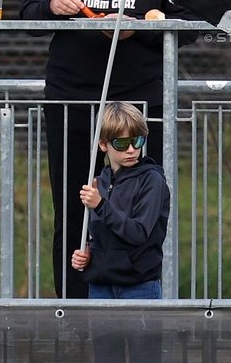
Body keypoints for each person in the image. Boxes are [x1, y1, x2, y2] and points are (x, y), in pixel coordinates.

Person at [20, 0, 194, 298]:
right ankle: (74, 316)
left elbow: (194, 21)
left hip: (140, 101)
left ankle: (138, 309)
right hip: (72, 98)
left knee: (140, 211)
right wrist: (50, 8)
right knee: (74, 211)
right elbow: (27, 8)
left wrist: (152, 26)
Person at [70, 101, 169, 362]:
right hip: (101, 285)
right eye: (121, 144)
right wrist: (88, 254)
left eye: (137, 140)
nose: (132, 150)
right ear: (103, 145)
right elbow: (100, 233)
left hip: (139, 285)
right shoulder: (100, 181)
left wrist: (100, 205)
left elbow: (138, 233)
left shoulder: (152, 180)